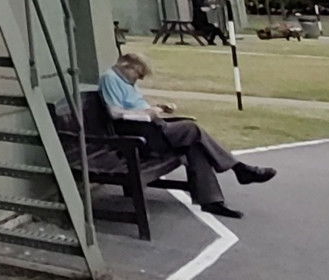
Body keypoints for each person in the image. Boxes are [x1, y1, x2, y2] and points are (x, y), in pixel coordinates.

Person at [99, 53, 276, 219]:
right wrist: (148, 112)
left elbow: (133, 105)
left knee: (194, 146)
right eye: (139, 74)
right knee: (192, 129)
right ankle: (240, 169)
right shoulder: (110, 78)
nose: (140, 79)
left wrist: (158, 107)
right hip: (140, 136)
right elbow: (115, 113)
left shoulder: (128, 82)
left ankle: (212, 201)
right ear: (125, 66)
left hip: (152, 127)